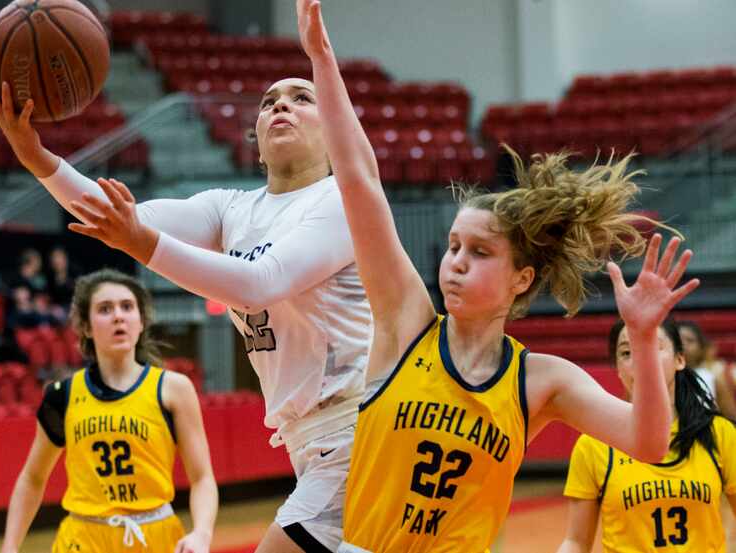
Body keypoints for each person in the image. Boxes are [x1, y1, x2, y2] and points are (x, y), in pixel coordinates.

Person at [291, 1, 700, 551]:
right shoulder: (406, 324)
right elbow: (360, 181)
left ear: (521, 278)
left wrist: (646, 340)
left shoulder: (540, 381)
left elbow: (648, 445)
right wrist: (321, 58)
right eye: (453, 245)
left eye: (480, 252)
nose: (456, 261)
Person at [0, 46, 372, 551]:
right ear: (255, 144)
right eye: (269, 101)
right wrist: (37, 157)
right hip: (313, 440)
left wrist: (141, 244)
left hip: (360, 425)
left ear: (334, 131)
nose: (280, 106)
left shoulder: (342, 200)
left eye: (301, 98)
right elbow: (117, 215)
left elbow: (259, 283)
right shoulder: (230, 209)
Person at [0, 268, 217, 553]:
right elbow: (33, 478)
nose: (118, 316)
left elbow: (201, 477)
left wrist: (201, 533)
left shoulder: (174, 389)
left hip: (154, 535)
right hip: (82, 538)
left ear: (140, 322)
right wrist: (10, 546)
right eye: (105, 309)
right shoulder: (61, 395)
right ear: (86, 327)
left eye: (127, 307)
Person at [557, 318, 736, 552]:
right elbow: (576, 542)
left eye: (652, 346)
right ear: (618, 369)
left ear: (679, 360)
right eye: (627, 352)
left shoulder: (718, 433)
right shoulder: (595, 442)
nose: (641, 359)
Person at [677, 319, 736, 420]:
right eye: (678, 340)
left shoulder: (712, 375)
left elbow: (730, 416)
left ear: (701, 347)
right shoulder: (663, 375)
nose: (683, 345)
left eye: (690, 340)